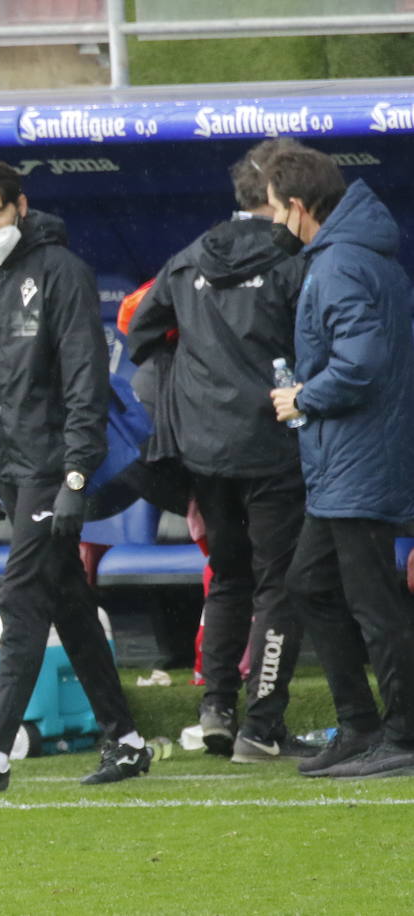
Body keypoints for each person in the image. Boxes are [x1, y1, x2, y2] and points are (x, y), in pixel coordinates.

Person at [0, 158, 151, 792]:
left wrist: (77, 477)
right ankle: (127, 741)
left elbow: (86, 382)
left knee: (21, 598)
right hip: (11, 464)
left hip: (54, 466)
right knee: (69, 603)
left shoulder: (63, 272)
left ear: (20, 208)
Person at [127, 138, 317, 764]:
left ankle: (216, 710)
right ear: (276, 196)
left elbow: (142, 332)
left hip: (204, 453)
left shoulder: (189, 257)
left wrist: (189, 393)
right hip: (273, 446)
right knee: (277, 586)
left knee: (229, 579)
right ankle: (260, 728)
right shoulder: (296, 258)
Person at [265, 148, 414, 779]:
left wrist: (302, 395)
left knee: (375, 605)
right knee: (310, 586)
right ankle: (360, 725)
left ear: (299, 208)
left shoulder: (341, 265)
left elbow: (362, 364)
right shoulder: (350, 257)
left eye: (274, 208)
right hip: (346, 465)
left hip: (360, 463)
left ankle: (402, 735)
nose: (273, 221)